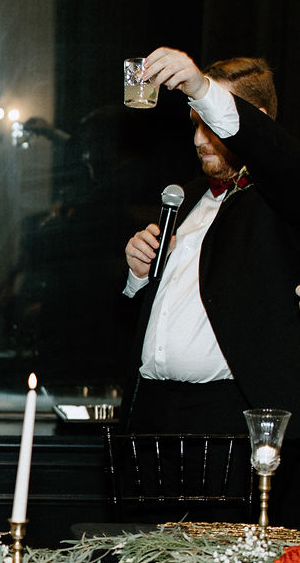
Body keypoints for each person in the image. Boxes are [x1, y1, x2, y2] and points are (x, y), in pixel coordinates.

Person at [119, 49, 300, 523]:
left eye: (210, 120)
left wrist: (200, 87)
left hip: (227, 421)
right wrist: (139, 277)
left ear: (251, 121)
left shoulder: (276, 198)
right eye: (193, 121)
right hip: (153, 416)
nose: (199, 137)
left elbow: (281, 160)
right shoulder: (190, 198)